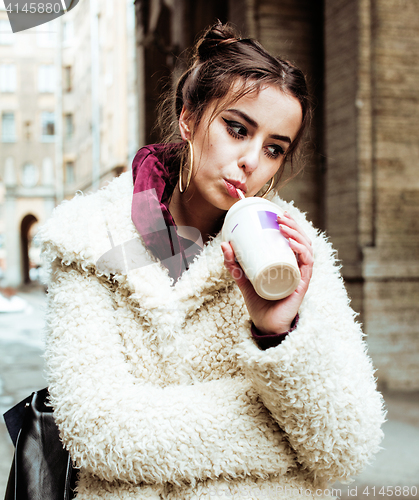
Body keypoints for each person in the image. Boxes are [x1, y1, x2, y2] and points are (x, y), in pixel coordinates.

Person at [38, 22, 385, 500]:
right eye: (237, 128)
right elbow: (100, 435)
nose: (250, 160)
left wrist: (276, 337)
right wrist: (285, 435)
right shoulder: (85, 238)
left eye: (274, 148)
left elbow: (347, 443)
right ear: (188, 118)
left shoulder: (297, 250)